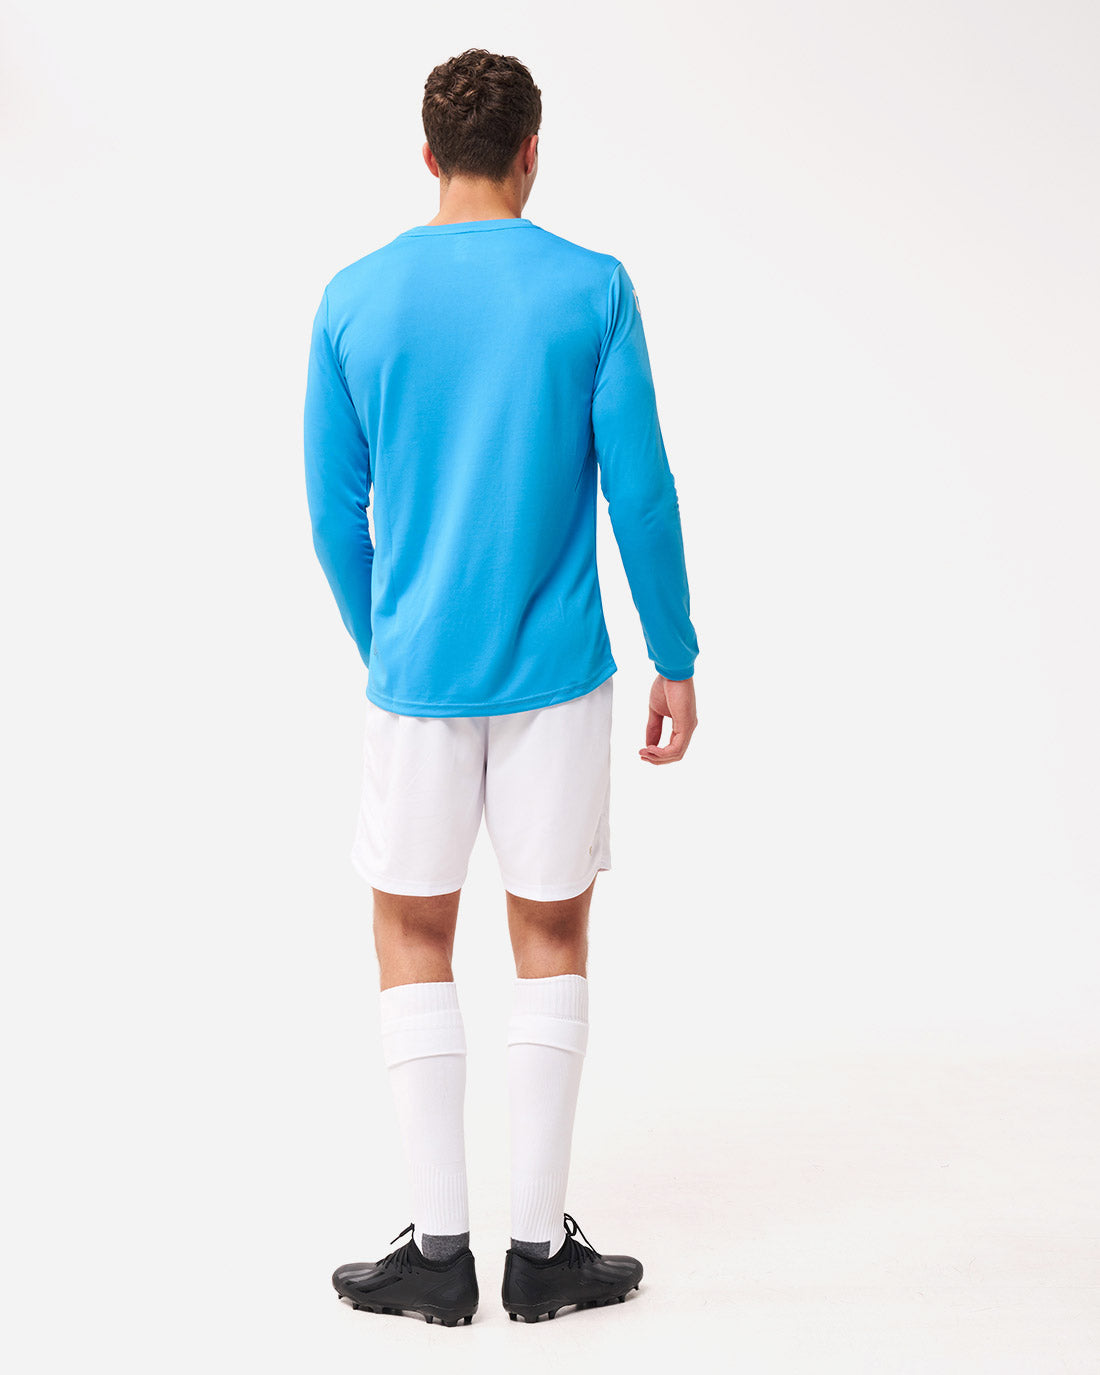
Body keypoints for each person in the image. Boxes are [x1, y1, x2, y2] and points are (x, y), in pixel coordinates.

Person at [303, 47, 700, 1328]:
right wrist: (675, 652)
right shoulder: (592, 287)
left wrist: (392, 641)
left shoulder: (354, 298)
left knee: (411, 932)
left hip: (415, 677)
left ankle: (438, 1251)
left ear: (428, 155)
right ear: (532, 151)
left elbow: (334, 514)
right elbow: (640, 490)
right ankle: (537, 1251)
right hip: (558, 678)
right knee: (552, 936)